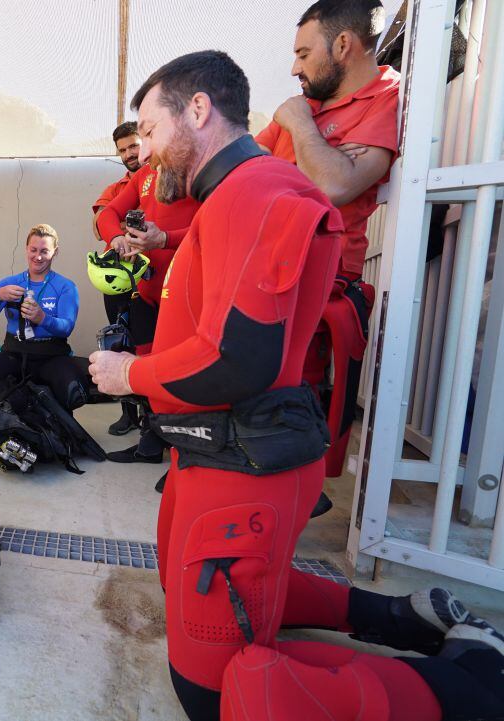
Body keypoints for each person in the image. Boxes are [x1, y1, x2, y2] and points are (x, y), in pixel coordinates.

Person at [89, 50, 504, 721]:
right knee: (191, 590)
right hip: (208, 451)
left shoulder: (256, 190)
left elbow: (238, 362)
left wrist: (128, 372)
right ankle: (401, 615)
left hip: (245, 458)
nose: (146, 151)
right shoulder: (232, 196)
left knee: (218, 691)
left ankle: (469, 683)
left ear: (199, 110)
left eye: (152, 128)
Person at [257, 0, 399, 490]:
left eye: (303, 52)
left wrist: (298, 125)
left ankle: (288, 489)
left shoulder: (385, 96)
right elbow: (239, 169)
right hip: (264, 270)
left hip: (319, 277)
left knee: (291, 397)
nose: (294, 67)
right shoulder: (309, 100)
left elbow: (337, 186)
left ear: (343, 44)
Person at [95, 138, 201, 467]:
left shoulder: (197, 168)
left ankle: (187, 454)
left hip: (185, 290)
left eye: (149, 134)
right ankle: (150, 442)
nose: (139, 154)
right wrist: (115, 238)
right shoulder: (144, 175)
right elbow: (108, 213)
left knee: (182, 373)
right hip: (147, 289)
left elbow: (211, 224)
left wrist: (165, 238)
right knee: (145, 365)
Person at [0, 224, 88, 412]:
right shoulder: (9, 283)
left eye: (45, 251)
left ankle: (54, 421)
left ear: (55, 252)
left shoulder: (66, 286)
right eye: (33, 250)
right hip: (15, 352)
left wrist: (43, 318)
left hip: (51, 354)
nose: (38, 256)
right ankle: (6, 418)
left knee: (75, 391)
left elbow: (67, 327)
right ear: (26, 249)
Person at [92, 121, 144, 436]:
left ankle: (155, 418)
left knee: (152, 346)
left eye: (133, 146)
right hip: (117, 281)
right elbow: (99, 224)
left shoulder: (165, 180)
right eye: (122, 150)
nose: (129, 154)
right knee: (118, 341)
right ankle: (129, 414)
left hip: (153, 279)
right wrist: (121, 230)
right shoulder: (115, 189)